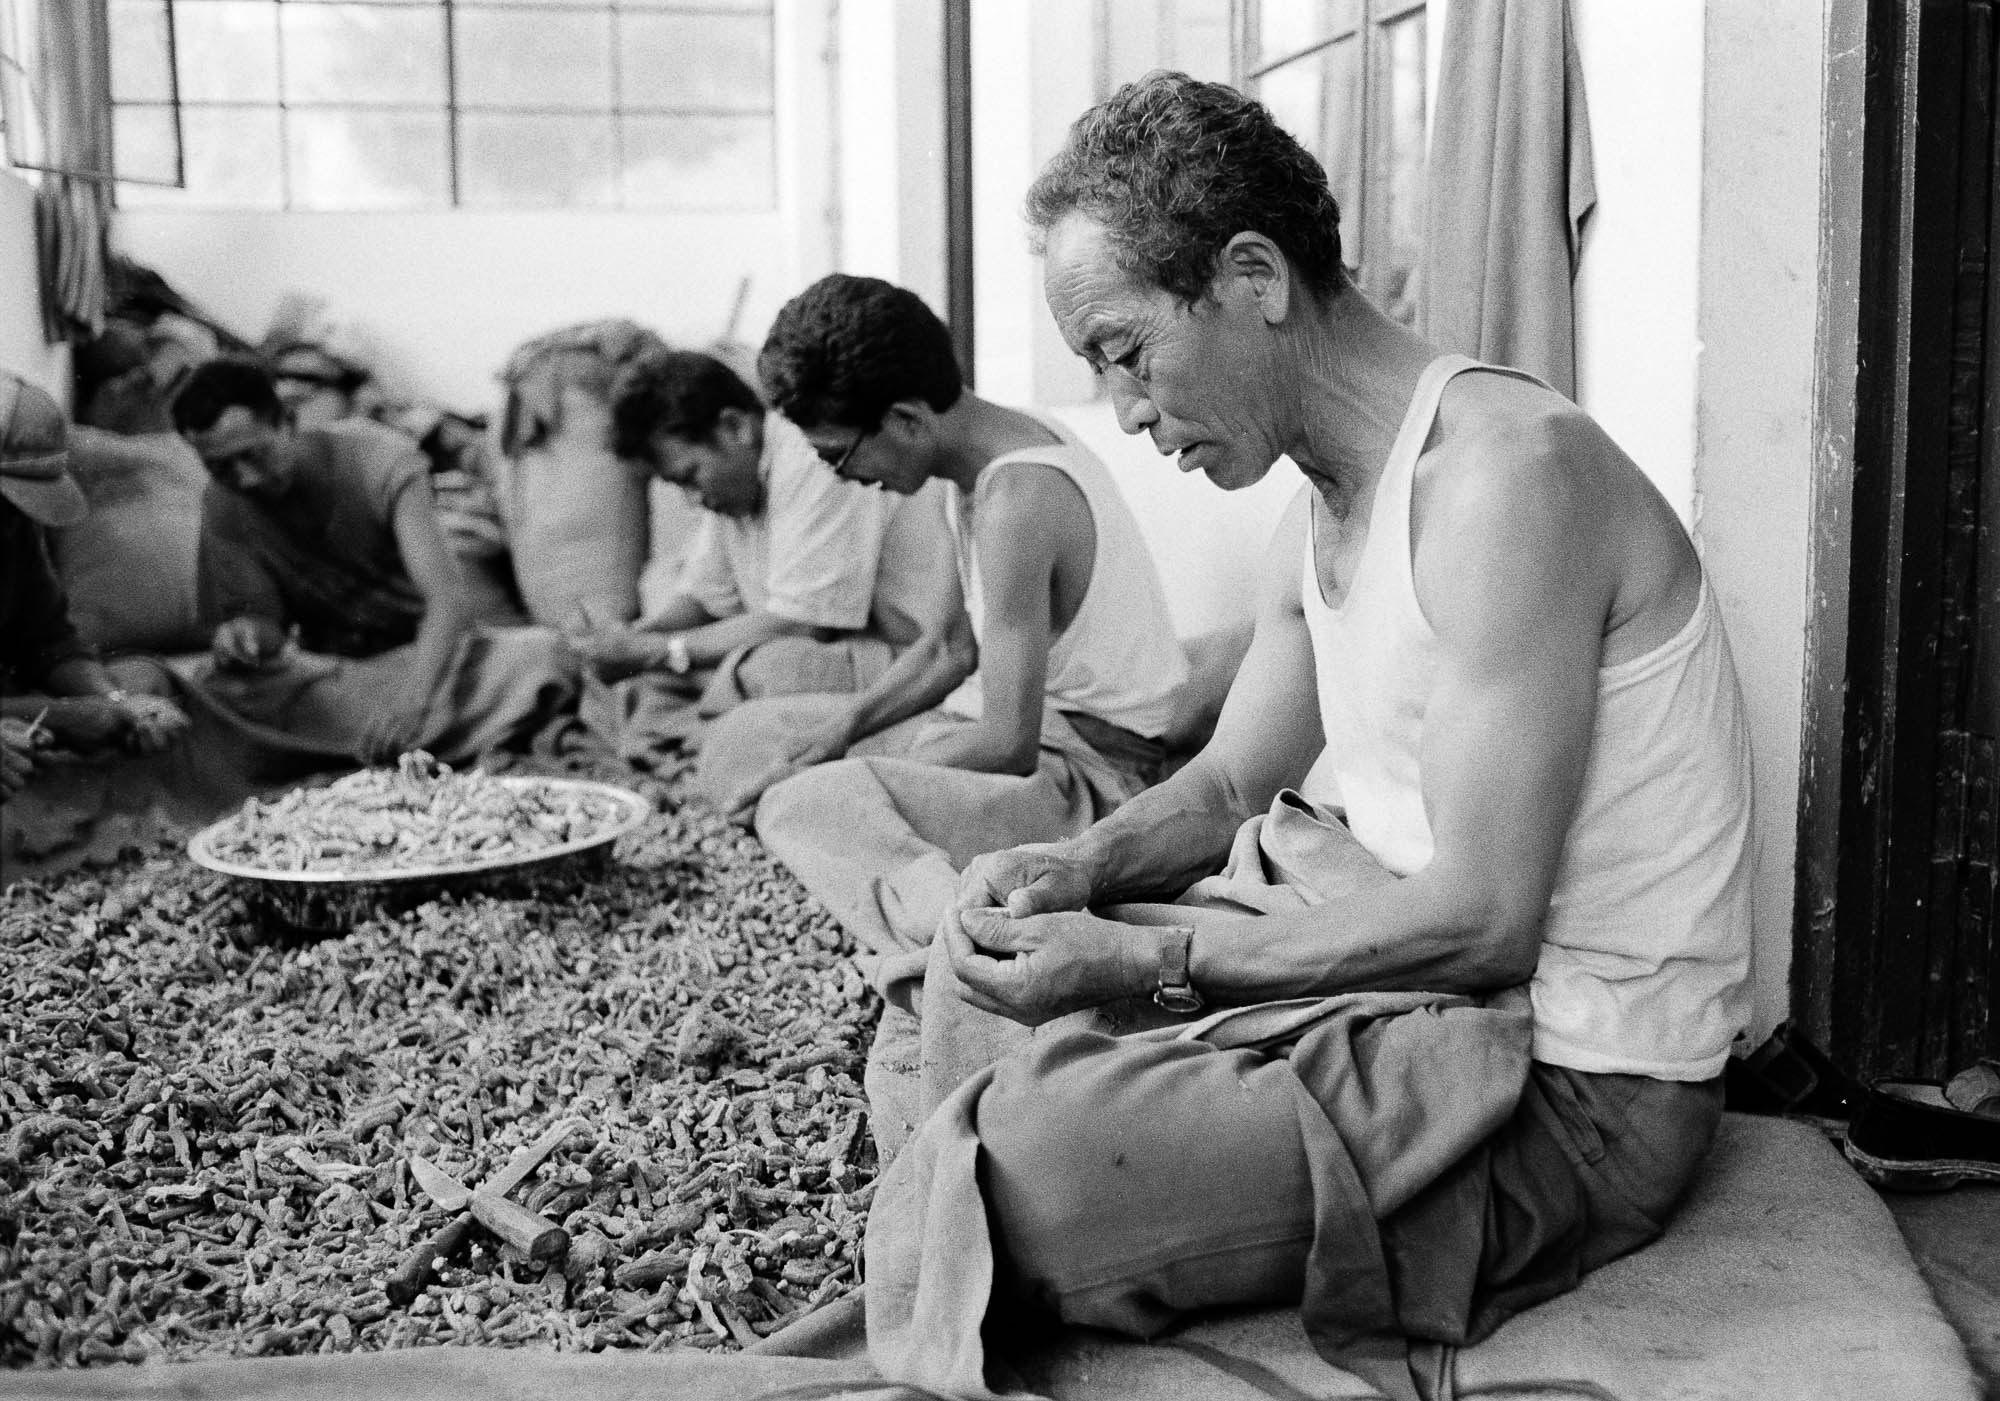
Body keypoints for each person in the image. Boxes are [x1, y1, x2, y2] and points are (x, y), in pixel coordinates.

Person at [876, 71, 1755, 1393]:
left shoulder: (1507, 481)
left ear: (1252, 277)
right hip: (1423, 975)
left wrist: (1147, 961)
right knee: (962, 966)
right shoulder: (1328, 498)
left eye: (1126, 351)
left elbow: (1485, 919)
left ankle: (1041, 1126)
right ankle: (1059, 1087)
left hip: (1572, 1077)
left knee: (1021, 1185)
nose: (1124, 409)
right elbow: (1230, 776)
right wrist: (1081, 870)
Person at [722, 272, 1188, 1016]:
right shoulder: (969, 464)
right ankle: (927, 877)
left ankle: (963, 946)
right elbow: (946, 649)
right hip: (1035, 743)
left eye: (841, 456)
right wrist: (836, 732)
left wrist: (871, 765)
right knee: (773, 745)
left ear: (905, 419)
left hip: (1094, 779)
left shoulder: (1017, 498)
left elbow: (1008, 745)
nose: (849, 478)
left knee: (803, 807)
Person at [173, 358, 574, 768]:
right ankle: (404, 743)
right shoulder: (224, 504)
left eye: (254, 456)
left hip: (430, 663)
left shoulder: (379, 460)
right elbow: (267, 628)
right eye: (219, 467)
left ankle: (363, 746)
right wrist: (244, 637)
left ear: (288, 422)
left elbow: (447, 601)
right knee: (214, 688)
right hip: (342, 679)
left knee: (544, 653)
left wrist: (412, 705)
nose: (246, 479)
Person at [573, 348, 958, 748]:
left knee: (770, 668)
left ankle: (701, 736)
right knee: (644, 680)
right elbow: (705, 597)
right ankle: (701, 733)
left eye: (691, 476)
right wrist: (631, 640)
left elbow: (802, 623)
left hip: (909, 660)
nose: (693, 498)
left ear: (735, 427)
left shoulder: (812, 457)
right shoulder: (735, 487)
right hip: (822, 654)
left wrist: (658, 651)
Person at [1, 372, 192, 868]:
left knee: (146, 682)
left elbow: (51, 642)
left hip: (17, 711)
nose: (11, 520)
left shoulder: (14, 529)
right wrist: (67, 717)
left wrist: (114, 699)